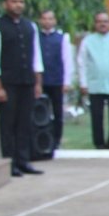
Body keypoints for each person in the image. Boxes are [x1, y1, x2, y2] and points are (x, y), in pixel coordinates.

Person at [0, 0, 45, 174]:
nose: (18, 5)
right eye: (14, 1)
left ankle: (23, 161)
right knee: (8, 124)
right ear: (5, 4)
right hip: (7, 83)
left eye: (21, 1)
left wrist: (38, 82)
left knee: (25, 123)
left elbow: (36, 57)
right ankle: (9, 163)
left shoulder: (30, 26)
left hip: (27, 81)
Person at [79, 12, 109, 149]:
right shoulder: (87, 41)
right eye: (100, 21)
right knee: (96, 116)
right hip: (95, 83)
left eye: (105, 21)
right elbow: (82, 63)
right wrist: (83, 83)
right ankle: (99, 143)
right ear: (95, 24)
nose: (103, 24)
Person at [34, 10, 74, 152]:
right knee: (39, 112)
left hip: (57, 80)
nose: (47, 21)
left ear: (54, 21)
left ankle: (57, 140)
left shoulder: (62, 37)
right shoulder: (35, 37)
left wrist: (66, 81)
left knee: (57, 113)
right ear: (40, 21)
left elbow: (67, 60)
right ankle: (41, 140)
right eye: (44, 18)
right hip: (40, 82)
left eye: (50, 18)